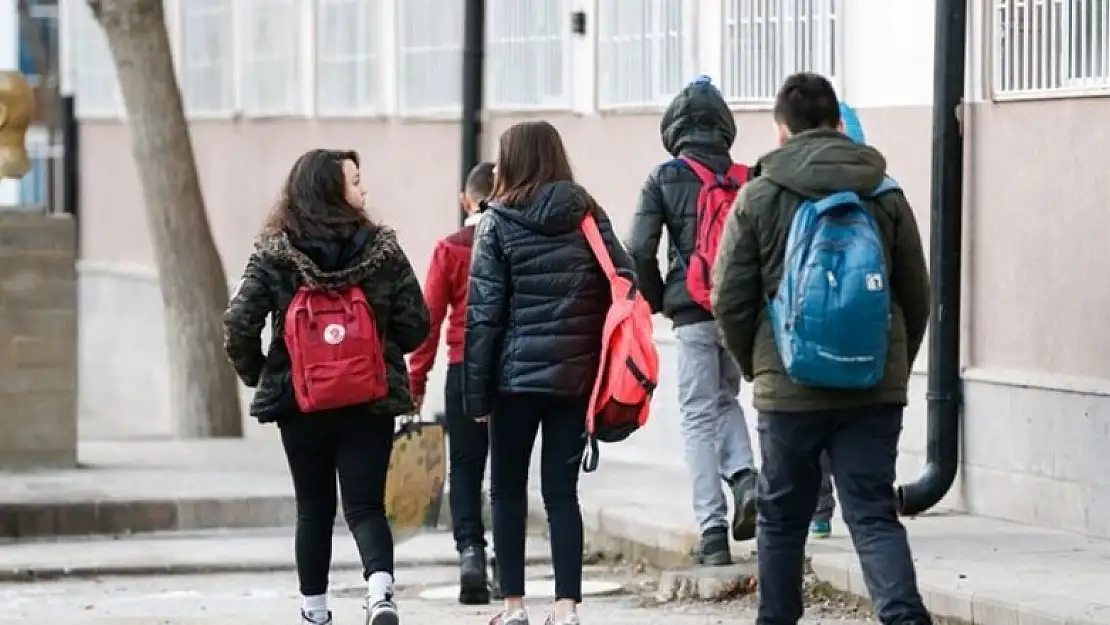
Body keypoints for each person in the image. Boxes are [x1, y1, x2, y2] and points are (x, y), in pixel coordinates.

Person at [712, 72, 932, 625]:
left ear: (781, 132)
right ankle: (904, 618)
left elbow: (730, 299)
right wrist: (892, 366)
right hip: (872, 384)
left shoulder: (759, 195)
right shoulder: (884, 193)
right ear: (839, 123)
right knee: (874, 514)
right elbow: (916, 294)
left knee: (782, 518)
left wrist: (759, 364)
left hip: (789, 387)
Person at [223, 149, 430, 625]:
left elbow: (239, 321)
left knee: (313, 509)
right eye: (356, 182)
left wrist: (261, 372)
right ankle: (379, 593)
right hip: (370, 399)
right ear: (332, 190)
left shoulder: (275, 253)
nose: (364, 191)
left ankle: (314, 612)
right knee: (365, 506)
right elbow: (417, 324)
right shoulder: (382, 251)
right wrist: (376, 349)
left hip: (301, 400)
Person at [465, 120, 633, 625]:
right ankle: (567, 608)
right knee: (562, 492)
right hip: (574, 379)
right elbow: (624, 277)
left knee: (508, 489)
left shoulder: (496, 222)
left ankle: (514, 607)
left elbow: (483, 315)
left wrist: (476, 395)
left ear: (510, 161)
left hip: (513, 381)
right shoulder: (586, 213)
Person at [626, 74, 758, 566]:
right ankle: (746, 477)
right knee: (726, 398)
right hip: (742, 315)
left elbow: (638, 248)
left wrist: (662, 298)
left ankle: (713, 530)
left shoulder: (664, 177)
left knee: (698, 413)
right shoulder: (748, 178)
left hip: (694, 311)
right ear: (724, 127)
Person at [407, 161, 497, 604]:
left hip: (464, 369)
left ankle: (470, 553)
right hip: (511, 371)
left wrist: (416, 379)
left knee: (465, 466)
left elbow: (428, 321)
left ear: (467, 199)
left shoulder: (450, 249)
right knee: (507, 468)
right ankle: (504, 553)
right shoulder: (517, 244)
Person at [810, 101, 869, 541]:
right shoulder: (881, 191)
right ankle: (861, 511)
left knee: (815, 422)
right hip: (863, 326)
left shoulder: (797, 190)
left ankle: (820, 511)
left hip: (813, 324)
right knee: (856, 422)